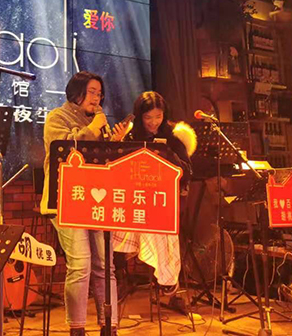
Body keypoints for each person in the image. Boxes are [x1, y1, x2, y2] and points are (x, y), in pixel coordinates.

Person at [41, 71, 129, 336]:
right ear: (76, 92)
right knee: (80, 265)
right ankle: (77, 328)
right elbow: (66, 149)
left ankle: (109, 326)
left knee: (105, 266)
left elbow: (103, 163)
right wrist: (94, 129)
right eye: (91, 92)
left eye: (99, 94)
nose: (96, 98)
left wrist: (115, 143)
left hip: (96, 200)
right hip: (66, 200)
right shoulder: (57, 117)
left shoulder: (98, 124)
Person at [114, 91, 197, 312]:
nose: (153, 122)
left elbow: (188, 172)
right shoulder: (132, 137)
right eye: (148, 117)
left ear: (164, 115)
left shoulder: (173, 138)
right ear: (139, 116)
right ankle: (120, 276)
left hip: (162, 202)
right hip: (135, 201)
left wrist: (168, 154)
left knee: (163, 230)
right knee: (116, 225)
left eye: (158, 117)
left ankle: (169, 284)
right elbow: (116, 169)